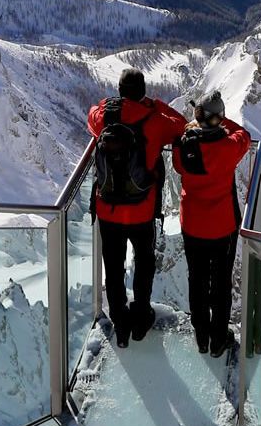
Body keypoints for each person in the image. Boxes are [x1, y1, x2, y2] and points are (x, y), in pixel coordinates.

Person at [88, 69, 187, 348]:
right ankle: (141, 318)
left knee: (114, 267)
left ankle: (120, 324)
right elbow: (181, 125)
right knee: (144, 265)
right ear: (142, 91)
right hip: (142, 211)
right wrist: (153, 104)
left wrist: (111, 105)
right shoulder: (154, 121)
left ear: (120, 91)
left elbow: (91, 113)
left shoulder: (104, 118)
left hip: (108, 211)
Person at [173, 92, 251, 357]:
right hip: (222, 227)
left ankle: (201, 337)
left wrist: (195, 126)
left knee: (197, 280)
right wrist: (221, 121)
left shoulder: (183, 146)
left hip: (192, 225)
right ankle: (219, 340)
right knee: (220, 284)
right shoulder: (229, 148)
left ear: (197, 117)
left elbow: (177, 164)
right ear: (218, 118)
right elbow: (244, 135)